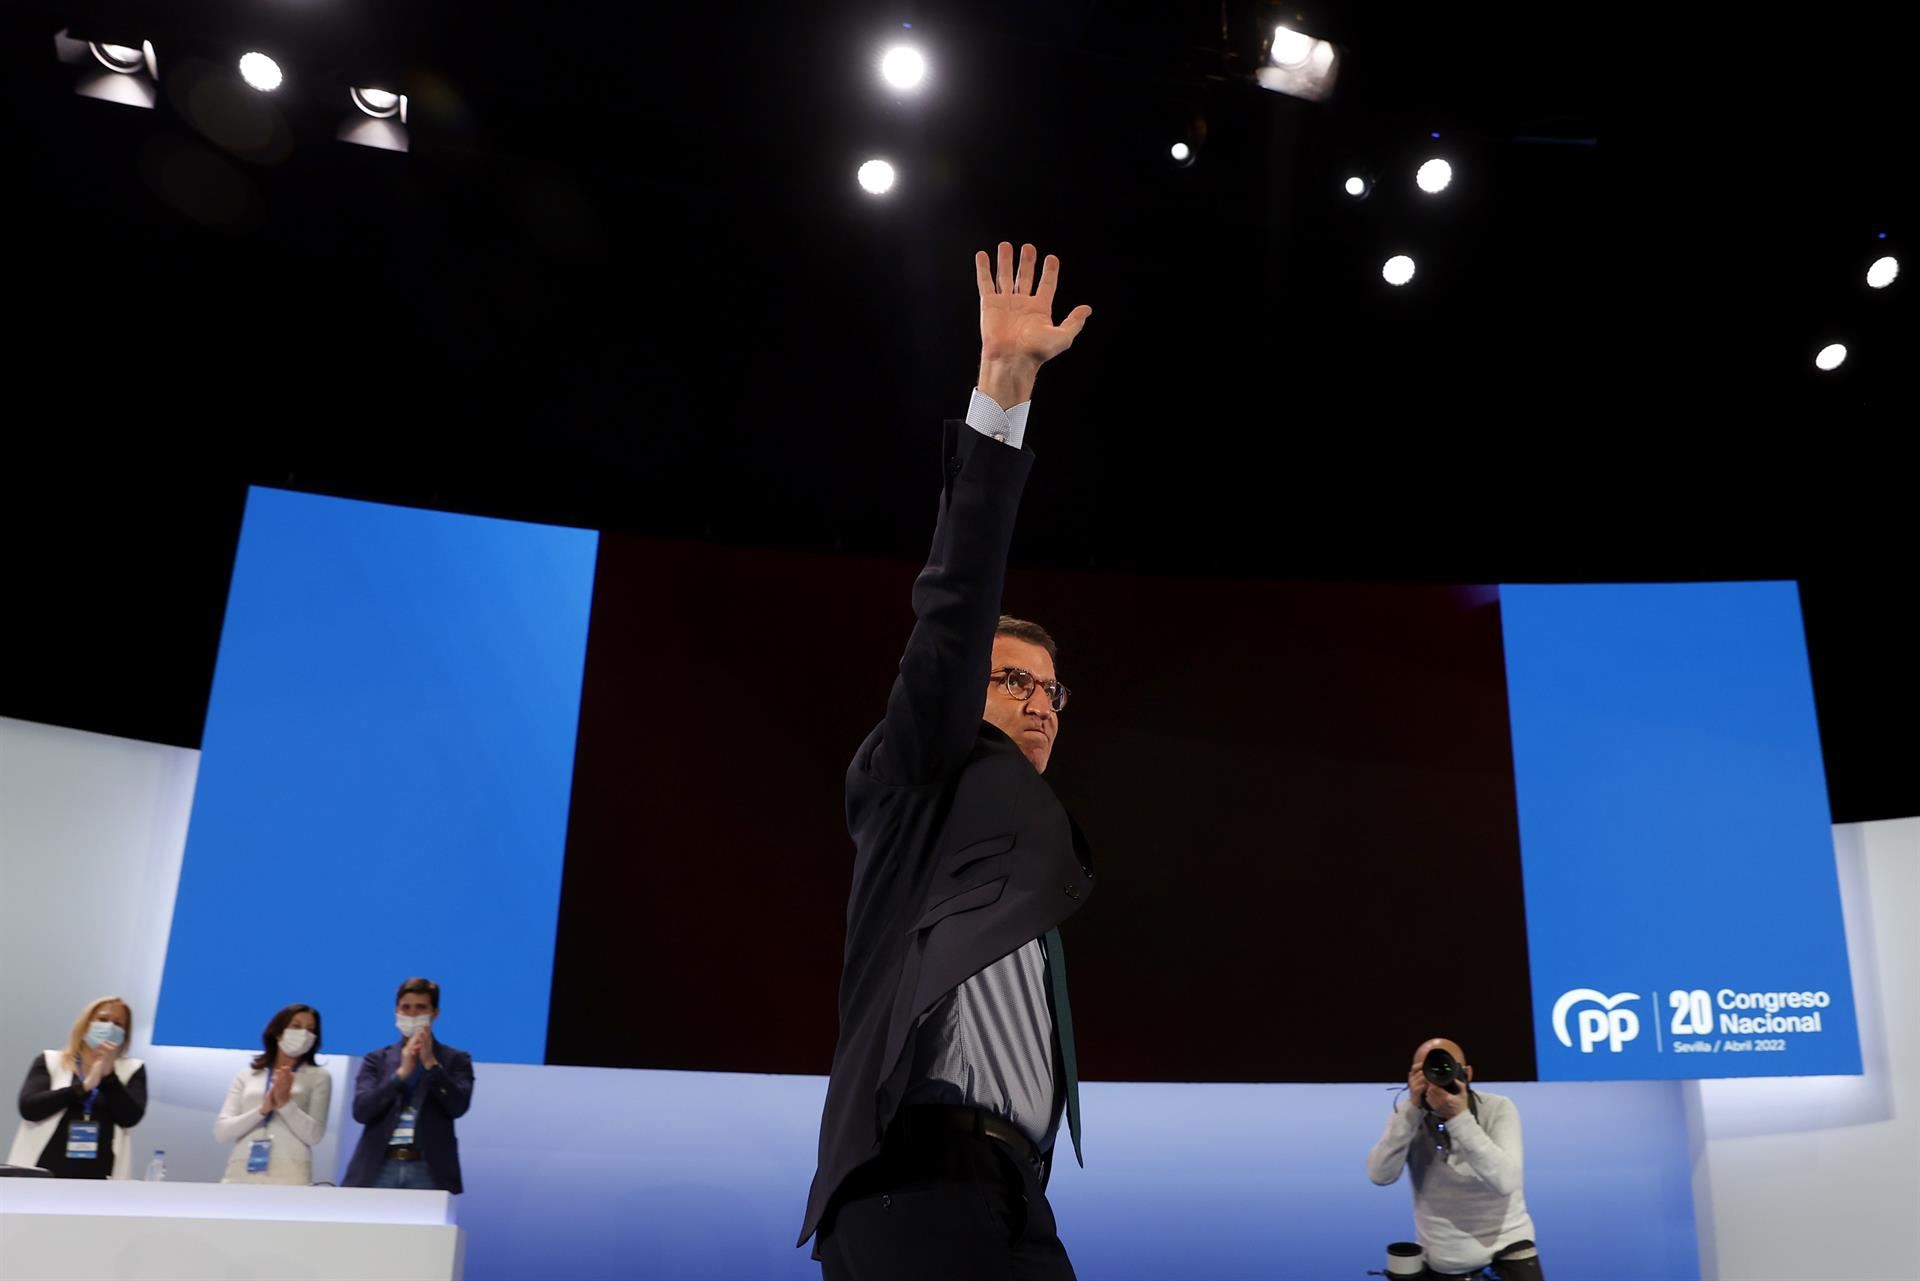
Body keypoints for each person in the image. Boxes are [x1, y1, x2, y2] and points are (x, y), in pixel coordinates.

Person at [800, 241, 1097, 1280]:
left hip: (1019, 1205)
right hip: (909, 1192)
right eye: (1008, 682)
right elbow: (956, 604)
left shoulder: (1018, 849)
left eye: (1048, 692)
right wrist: (1003, 392)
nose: (1036, 706)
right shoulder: (917, 775)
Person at [1367, 1038, 1545, 1280]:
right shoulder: (1407, 1116)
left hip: (1507, 1250)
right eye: (1423, 1070)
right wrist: (1411, 1111)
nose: (1435, 1075)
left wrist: (1459, 1117)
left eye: (1445, 1066)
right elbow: (1380, 1175)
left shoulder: (1498, 1108)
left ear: (1467, 1073)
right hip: (1442, 1259)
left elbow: (1506, 1182)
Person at [342, 978, 474, 1193]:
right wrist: (401, 1074)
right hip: (379, 1166)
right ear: (397, 1011)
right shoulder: (376, 1059)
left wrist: (431, 1064)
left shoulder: (456, 1060)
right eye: (406, 1008)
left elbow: (457, 1106)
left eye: (420, 1008)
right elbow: (361, 1111)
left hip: (428, 1169)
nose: (412, 1014)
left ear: (435, 1013)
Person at [9, 996, 148, 1179]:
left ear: (125, 1033)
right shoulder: (51, 1061)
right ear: (86, 1024)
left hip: (101, 1179)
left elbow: (130, 1117)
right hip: (42, 1173)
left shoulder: (132, 1069)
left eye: (118, 1023)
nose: (109, 1027)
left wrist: (108, 1077)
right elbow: (30, 1108)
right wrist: (83, 1087)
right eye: (103, 1019)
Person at [213, 1003, 332, 1185]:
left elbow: (314, 1136)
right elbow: (222, 1132)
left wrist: (285, 1104)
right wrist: (262, 1110)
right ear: (278, 1032)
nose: (304, 1034)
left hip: (291, 1172)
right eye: (296, 1026)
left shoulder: (319, 1077)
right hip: (240, 1169)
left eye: (310, 1029)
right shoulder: (247, 1074)